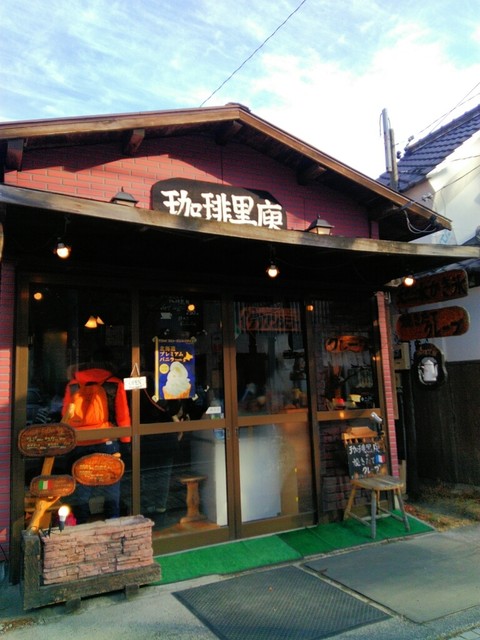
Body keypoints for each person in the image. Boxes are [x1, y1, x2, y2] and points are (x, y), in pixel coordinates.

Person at [62, 350, 131, 524]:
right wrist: (126, 441)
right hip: (107, 439)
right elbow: (123, 415)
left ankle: (82, 523)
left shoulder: (73, 385)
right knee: (111, 481)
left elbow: (65, 415)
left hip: (79, 441)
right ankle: (112, 521)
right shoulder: (114, 384)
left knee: (82, 483)